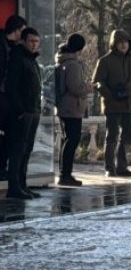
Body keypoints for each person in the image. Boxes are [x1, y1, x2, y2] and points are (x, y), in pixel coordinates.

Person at [92, 29, 131, 178]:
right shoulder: (105, 60)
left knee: (127, 137)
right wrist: (110, 95)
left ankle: (122, 166)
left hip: (129, 106)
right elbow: (97, 82)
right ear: (114, 44)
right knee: (112, 137)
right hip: (113, 106)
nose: (123, 45)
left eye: (125, 42)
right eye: (120, 42)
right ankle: (109, 168)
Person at [5, 27, 42, 199]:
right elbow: (12, 87)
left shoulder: (32, 61)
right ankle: (15, 186)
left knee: (27, 149)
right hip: (22, 112)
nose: (34, 45)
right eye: (31, 41)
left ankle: (22, 184)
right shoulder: (18, 58)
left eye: (37, 41)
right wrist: (20, 110)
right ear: (24, 41)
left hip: (33, 110)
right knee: (18, 150)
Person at [54, 33, 92, 187]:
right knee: (72, 139)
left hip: (65, 106)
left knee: (67, 139)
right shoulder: (73, 65)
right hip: (72, 107)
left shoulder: (61, 61)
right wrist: (89, 87)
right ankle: (65, 174)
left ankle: (65, 173)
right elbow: (76, 88)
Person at [0, 14, 27, 183]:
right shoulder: (4, 47)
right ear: (16, 30)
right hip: (3, 96)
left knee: (10, 135)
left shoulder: (15, 48)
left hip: (10, 97)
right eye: (22, 31)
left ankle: (3, 167)